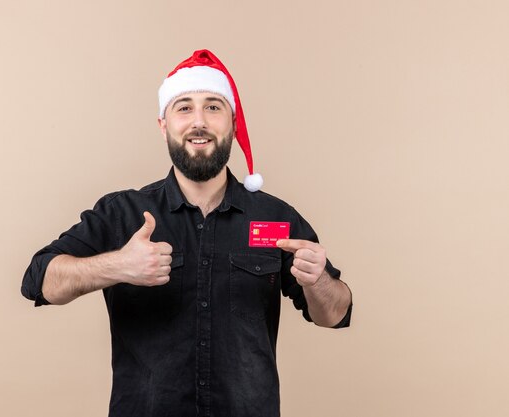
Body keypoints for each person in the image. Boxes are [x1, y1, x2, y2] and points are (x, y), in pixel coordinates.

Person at [21, 49, 352, 417]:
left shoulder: (276, 217)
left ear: (232, 123)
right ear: (164, 126)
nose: (199, 122)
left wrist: (317, 279)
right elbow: (39, 279)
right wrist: (117, 266)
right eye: (183, 108)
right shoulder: (123, 213)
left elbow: (335, 313)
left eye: (213, 107)